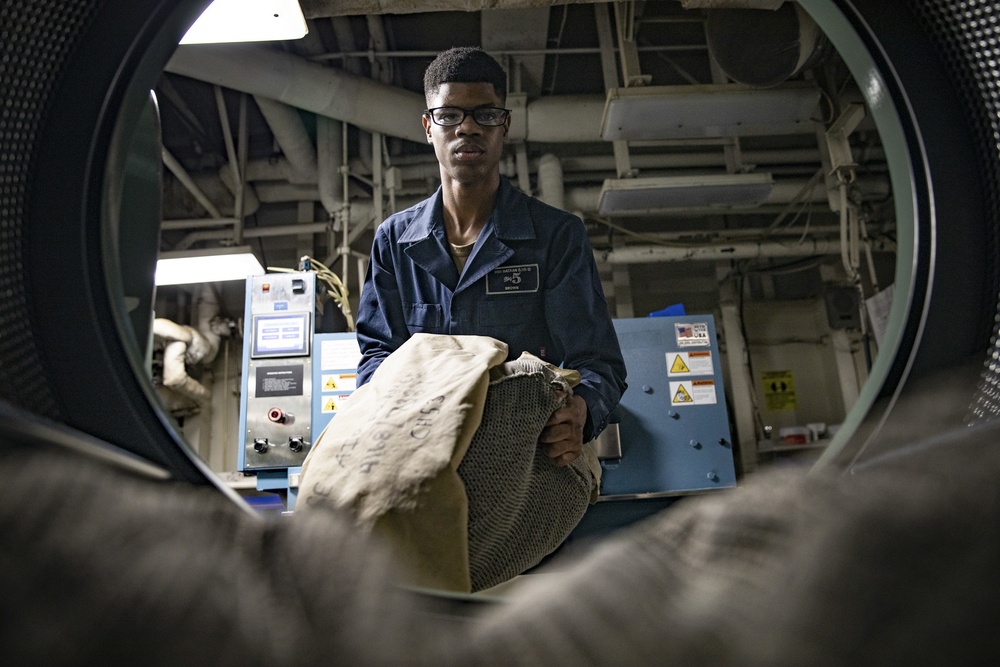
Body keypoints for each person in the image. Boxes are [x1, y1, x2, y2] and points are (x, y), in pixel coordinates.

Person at [355, 47, 626, 467]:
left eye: (485, 114)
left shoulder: (555, 236)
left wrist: (582, 411)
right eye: (449, 115)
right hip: (426, 461)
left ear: (505, 126)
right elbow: (377, 356)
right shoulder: (394, 242)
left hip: (530, 466)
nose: (468, 128)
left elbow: (597, 362)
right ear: (429, 127)